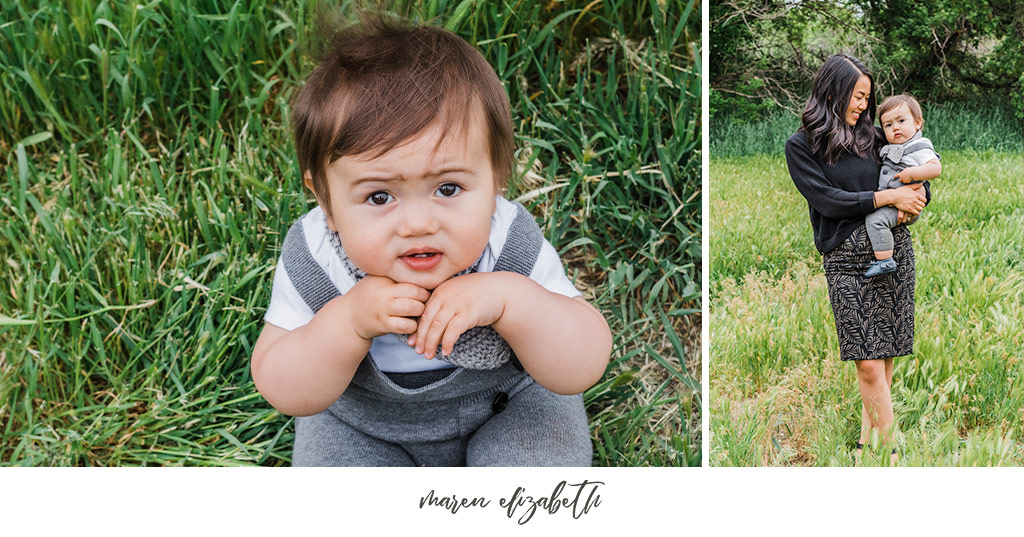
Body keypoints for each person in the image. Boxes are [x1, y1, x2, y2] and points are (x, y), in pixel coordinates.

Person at [249, 13, 612, 466]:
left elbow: (583, 362)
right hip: (364, 425)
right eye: (379, 196)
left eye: (448, 189)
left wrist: (512, 302)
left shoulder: (508, 241)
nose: (418, 223)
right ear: (325, 199)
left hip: (506, 406)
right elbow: (281, 385)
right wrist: (347, 323)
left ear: (496, 178)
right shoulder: (317, 257)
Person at [785, 54, 930, 464]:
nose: (864, 105)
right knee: (866, 361)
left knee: (885, 358)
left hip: (893, 253)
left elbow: (915, 176)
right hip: (846, 262)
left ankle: (868, 444)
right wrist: (886, 198)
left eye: (868, 97)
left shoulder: (876, 138)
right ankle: (893, 455)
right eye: (857, 96)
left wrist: (913, 202)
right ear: (832, 91)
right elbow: (827, 200)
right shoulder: (802, 146)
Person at [863, 94, 940, 277]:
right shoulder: (889, 146)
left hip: (907, 203)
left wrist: (912, 174)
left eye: (901, 121)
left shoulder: (920, 145)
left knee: (875, 221)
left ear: (918, 123)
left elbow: (935, 168)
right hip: (892, 199)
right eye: (888, 125)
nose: (895, 127)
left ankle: (884, 260)